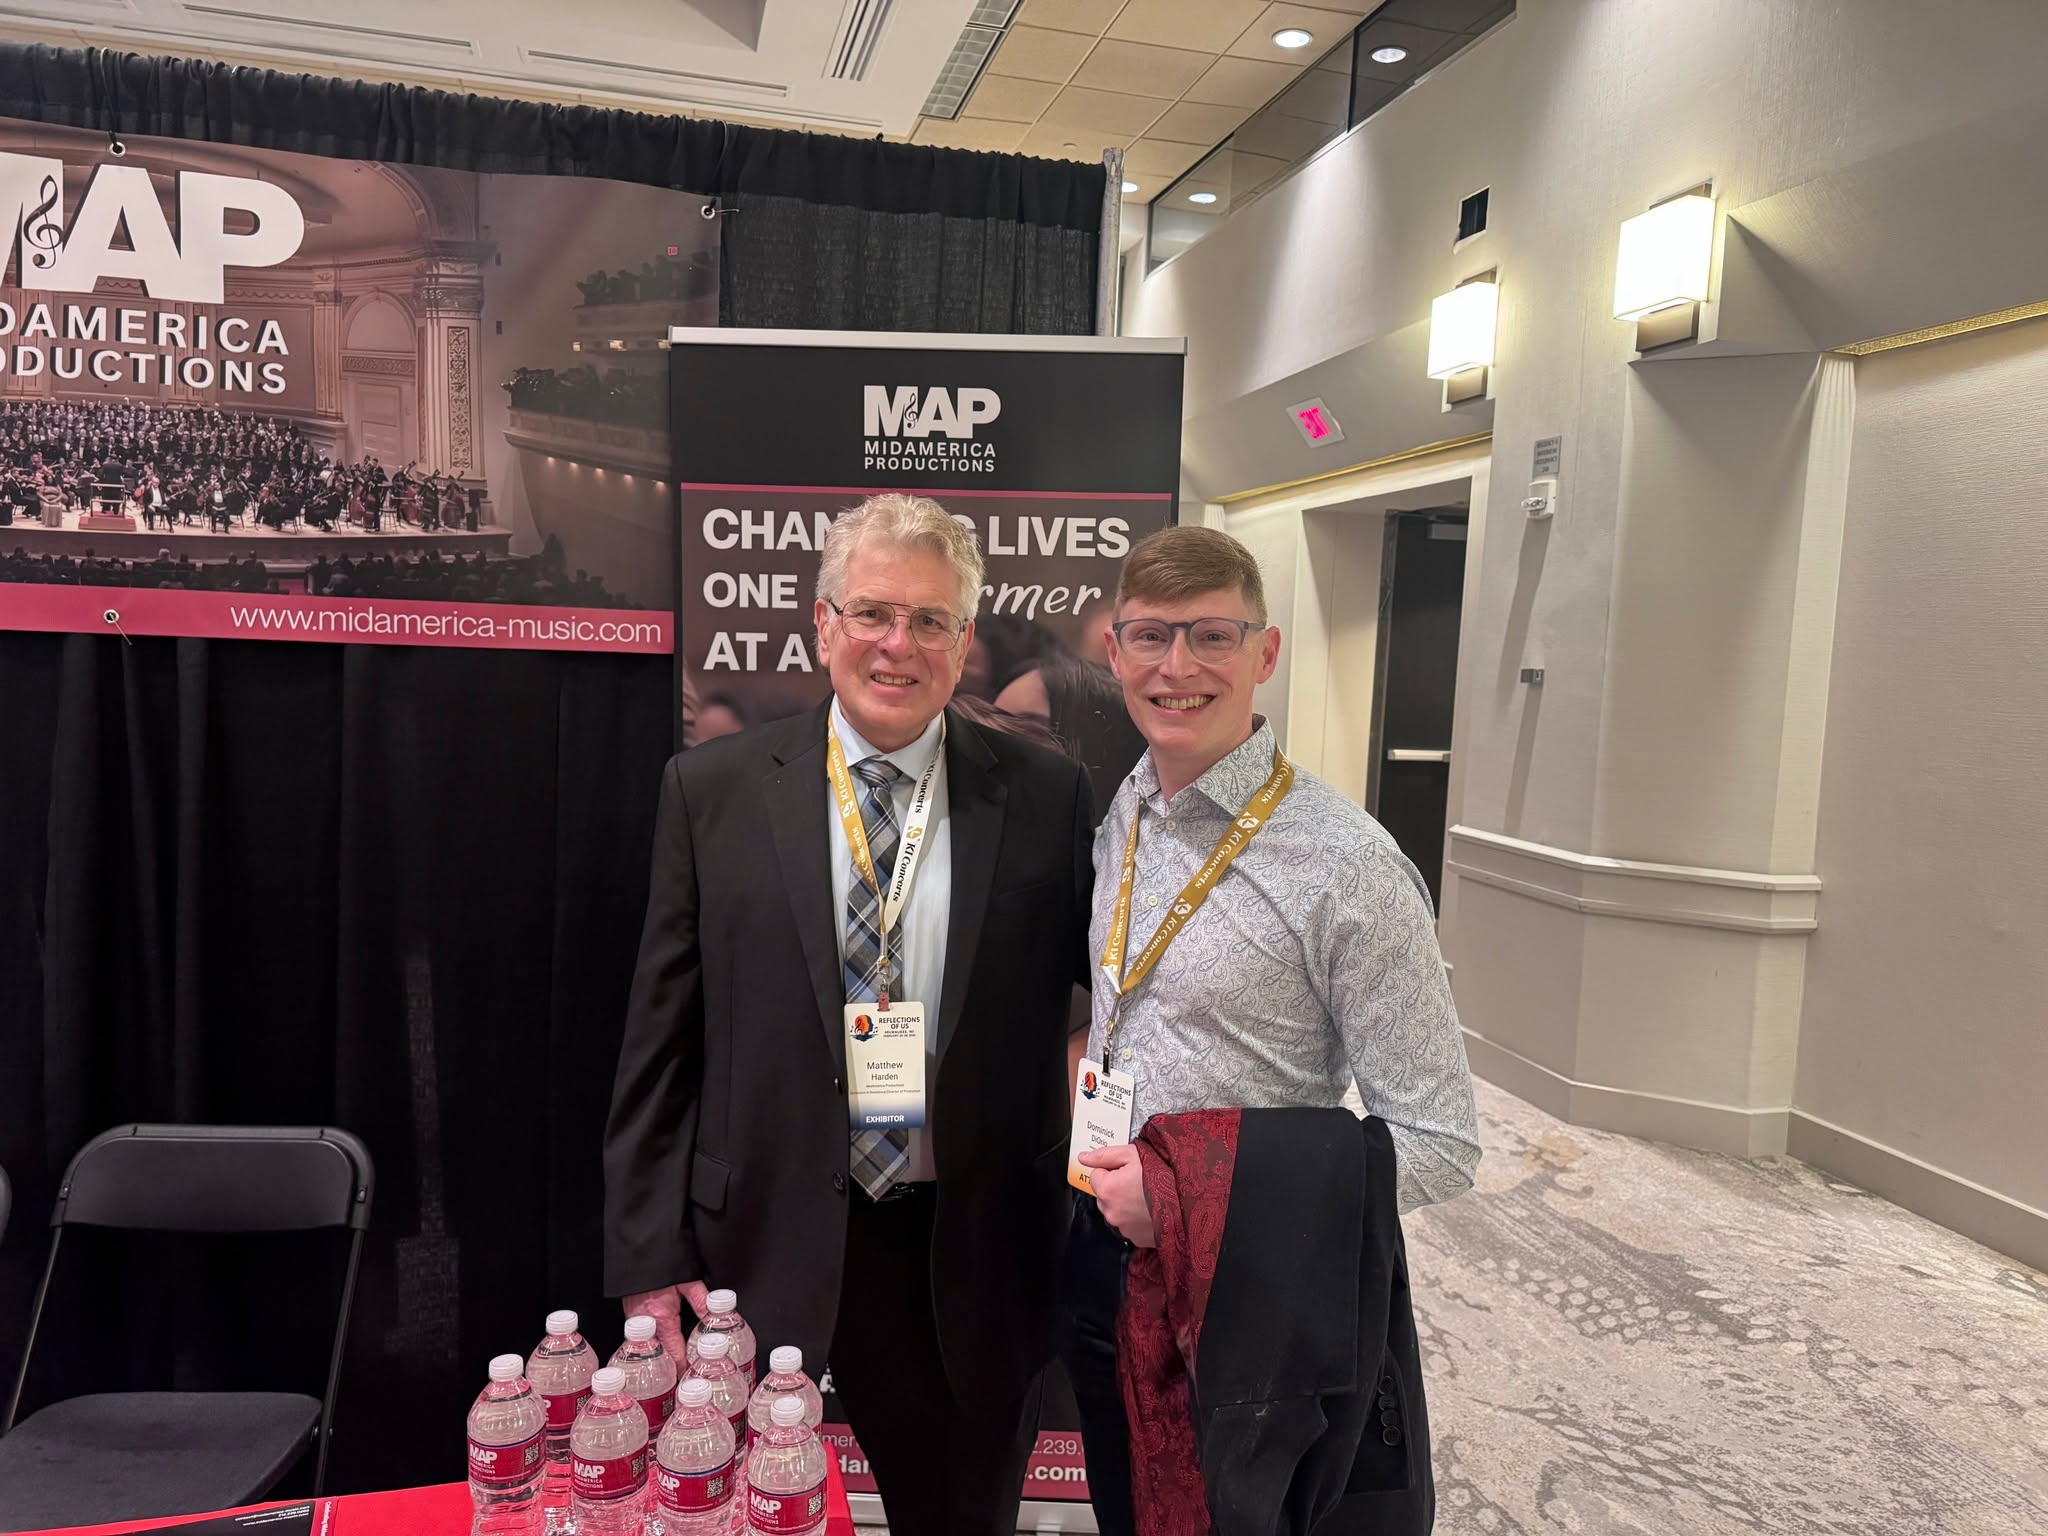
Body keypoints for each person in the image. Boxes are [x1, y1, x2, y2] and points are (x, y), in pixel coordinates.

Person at [604, 493, 1096, 1536]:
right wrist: (648, 1256)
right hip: (757, 1247)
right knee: (735, 1518)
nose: (897, 644)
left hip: (967, 1253)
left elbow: (1106, 1004)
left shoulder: (1047, 796)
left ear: (964, 641)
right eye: (871, 612)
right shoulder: (711, 791)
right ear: (823, 624)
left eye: (929, 620)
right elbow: (661, 1038)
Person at [1057, 526, 1482, 1536]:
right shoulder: (1124, 812)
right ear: (1114, 653)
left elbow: (1440, 1144)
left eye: (1212, 635)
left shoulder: (1350, 869)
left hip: (1246, 1297)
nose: (1178, 667)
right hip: (1098, 1255)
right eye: (1151, 636)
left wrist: (1189, 1201)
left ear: (1266, 653)